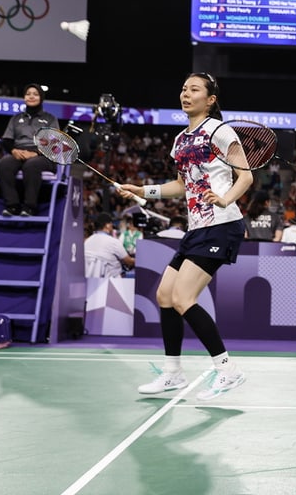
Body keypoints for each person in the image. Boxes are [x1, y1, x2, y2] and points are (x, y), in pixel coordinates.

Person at [118, 72, 253, 401]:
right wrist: (143, 190)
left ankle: (226, 370)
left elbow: (245, 175)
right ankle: (173, 374)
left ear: (210, 100)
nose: (185, 94)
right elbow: (181, 185)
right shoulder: (180, 140)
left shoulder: (220, 131)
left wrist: (225, 197)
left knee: (182, 298)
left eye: (194, 89)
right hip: (197, 228)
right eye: (183, 88)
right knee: (165, 296)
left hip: (221, 223)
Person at [0, 83, 60, 217]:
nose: (31, 96)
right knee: (3, 165)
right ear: (24, 97)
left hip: (43, 155)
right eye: (28, 94)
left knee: (31, 166)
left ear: (41, 98)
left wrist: (35, 153)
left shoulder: (50, 119)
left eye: (35, 94)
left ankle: (30, 207)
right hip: (19, 152)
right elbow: (6, 140)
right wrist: (13, 151)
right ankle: (12, 205)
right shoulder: (16, 118)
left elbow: (54, 143)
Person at [84, 212, 135, 278]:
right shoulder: (113, 242)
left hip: (91, 281)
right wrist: (139, 260)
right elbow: (129, 262)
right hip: (113, 282)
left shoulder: (87, 242)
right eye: (111, 223)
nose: (112, 226)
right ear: (107, 225)